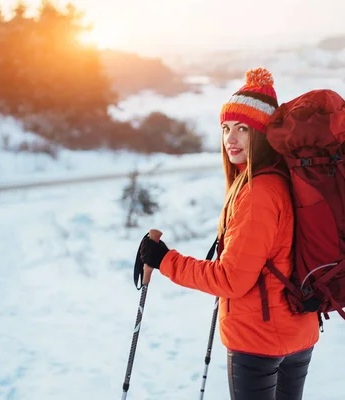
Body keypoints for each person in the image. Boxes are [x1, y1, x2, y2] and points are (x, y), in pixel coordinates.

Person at [138, 67, 320, 400]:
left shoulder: (259, 192)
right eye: (226, 128)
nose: (230, 139)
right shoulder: (283, 179)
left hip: (259, 340)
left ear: (263, 134)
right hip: (297, 330)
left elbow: (231, 280)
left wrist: (165, 260)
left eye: (243, 129)